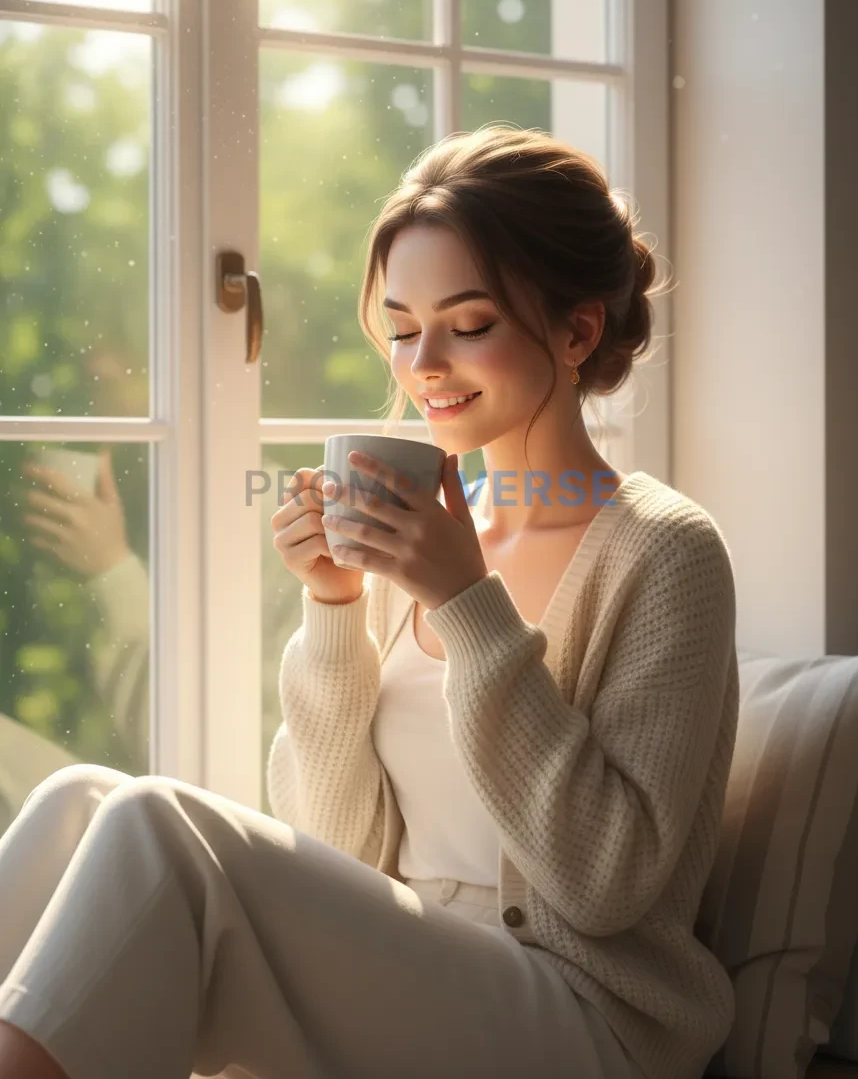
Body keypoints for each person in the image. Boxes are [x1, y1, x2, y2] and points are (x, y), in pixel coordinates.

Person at [0, 124, 739, 1079]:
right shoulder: (418, 535)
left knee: (154, 823)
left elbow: (605, 885)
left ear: (577, 331)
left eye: (468, 324)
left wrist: (467, 603)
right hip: (416, 966)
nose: (422, 363)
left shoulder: (666, 552)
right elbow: (335, 843)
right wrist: (335, 608)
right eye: (401, 328)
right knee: (76, 805)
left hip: (581, 1018)